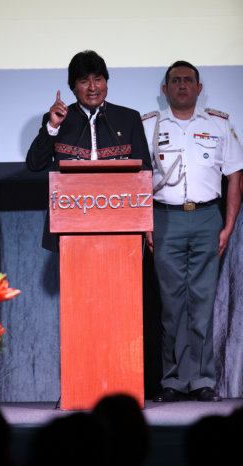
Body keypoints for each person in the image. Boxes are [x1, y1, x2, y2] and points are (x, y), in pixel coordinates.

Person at [142, 60, 243, 402]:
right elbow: (138, 180)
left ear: (199, 89)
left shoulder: (218, 124)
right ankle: (172, 381)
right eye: (175, 80)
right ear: (165, 88)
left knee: (202, 304)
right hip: (164, 218)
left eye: (188, 80)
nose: (182, 85)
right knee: (171, 305)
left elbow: (235, 178)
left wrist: (228, 225)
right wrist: (145, 224)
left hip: (205, 220)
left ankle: (201, 381)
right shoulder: (149, 126)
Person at [26, 50, 152, 251]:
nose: (93, 87)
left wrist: (146, 222)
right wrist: (53, 126)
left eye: (98, 79)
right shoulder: (58, 119)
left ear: (106, 83)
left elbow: (145, 172)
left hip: (122, 222)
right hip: (71, 224)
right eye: (84, 81)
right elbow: (35, 164)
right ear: (73, 87)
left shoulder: (129, 119)